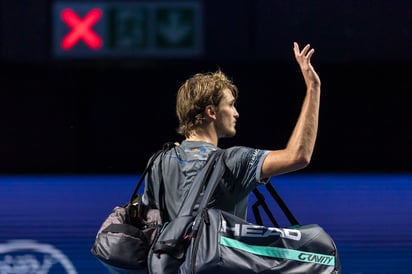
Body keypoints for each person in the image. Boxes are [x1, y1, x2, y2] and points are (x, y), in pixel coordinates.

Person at [142, 42, 321, 221]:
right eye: (230, 105)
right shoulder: (233, 161)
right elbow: (298, 156)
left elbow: (147, 221)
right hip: (216, 250)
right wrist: (313, 88)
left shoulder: (159, 162)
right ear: (211, 112)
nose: (236, 113)